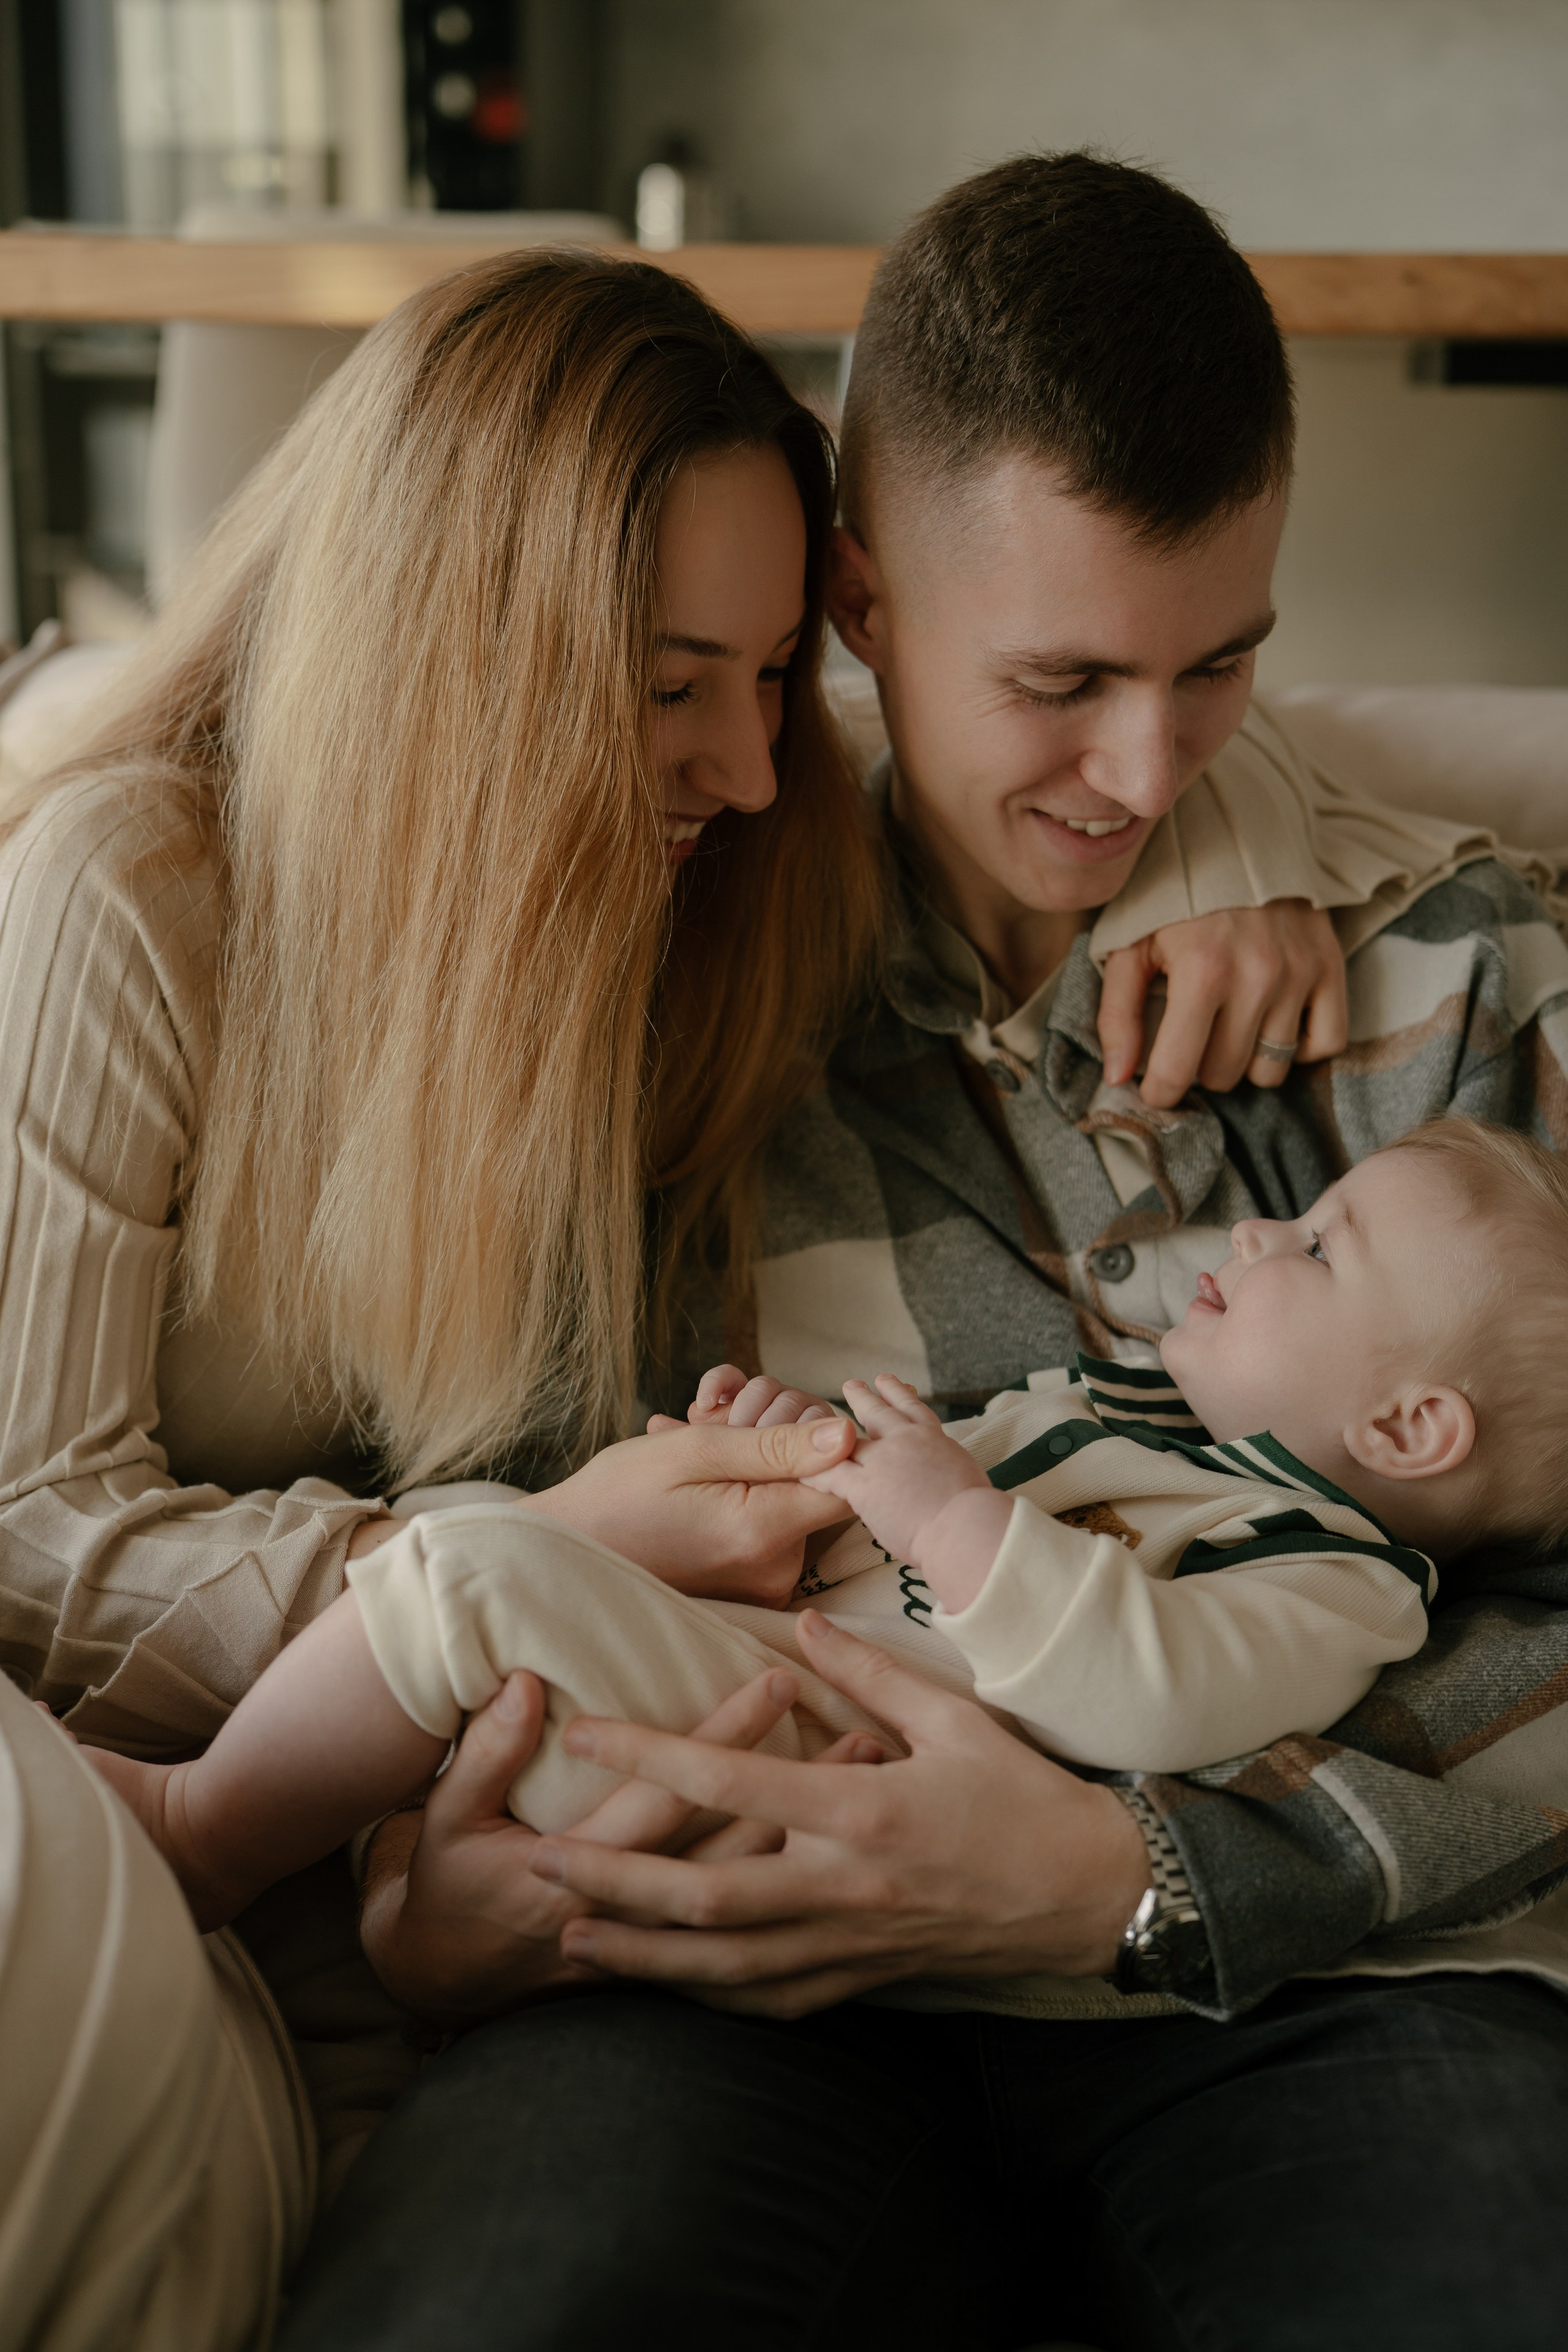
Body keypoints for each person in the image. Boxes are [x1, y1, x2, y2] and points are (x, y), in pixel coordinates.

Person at [0, 229, 1402, 2346]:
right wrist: (499, 1581)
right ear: (450, 654)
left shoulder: (682, 885)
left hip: (512, 1775)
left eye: (768, 686)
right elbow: (31, 1527)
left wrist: (1246, 843)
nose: (754, 766)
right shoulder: (127, 897)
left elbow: (1063, 685)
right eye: (675, 688)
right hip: (217, 1793)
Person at [278, 165, 1568, 2351]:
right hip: (744, 1979)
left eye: (1225, 661)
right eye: (1064, 678)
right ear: (860, 602)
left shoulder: (1461, 983)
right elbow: (509, 1515)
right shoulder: (666, 966)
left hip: (1348, 1989)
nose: (1150, 769)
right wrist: (434, 1898)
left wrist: (1150, 1871)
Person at [83, 1117, 1567, 1937]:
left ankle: (206, 1835)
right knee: (482, 1528)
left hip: (808, 1769)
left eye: (1317, 1244)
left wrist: (946, 1516)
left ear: (1406, 1432)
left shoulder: (1333, 1580)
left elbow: (1151, 1694)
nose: (1253, 1230)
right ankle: (355, 1828)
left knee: (472, 1572)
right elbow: (912, 1509)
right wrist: (796, 1461)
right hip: (766, 1658)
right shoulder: (1154, 1420)